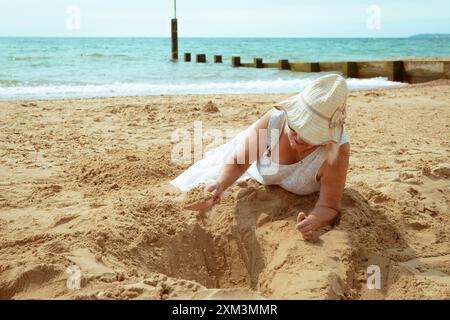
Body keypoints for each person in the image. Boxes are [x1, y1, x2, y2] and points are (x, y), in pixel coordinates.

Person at [171, 74, 350, 240]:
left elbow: (329, 206)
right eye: (295, 127)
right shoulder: (276, 119)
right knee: (198, 184)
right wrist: (221, 184)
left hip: (264, 170)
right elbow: (239, 163)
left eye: (310, 135)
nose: (298, 138)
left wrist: (313, 221)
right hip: (247, 161)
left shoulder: (336, 151)